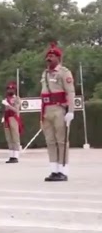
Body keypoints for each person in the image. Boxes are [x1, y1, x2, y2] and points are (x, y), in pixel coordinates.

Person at [40, 42, 75, 181]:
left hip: (59, 109)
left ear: (58, 59)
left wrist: (70, 111)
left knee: (62, 141)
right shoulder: (45, 73)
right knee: (50, 141)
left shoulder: (64, 72)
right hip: (46, 110)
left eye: (52, 56)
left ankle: (63, 170)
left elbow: (70, 92)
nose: (49, 58)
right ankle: (54, 170)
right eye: (48, 56)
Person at [2, 81, 23, 164]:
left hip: (14, 118)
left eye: (11, 89)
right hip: (7, 118)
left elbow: (16, 110)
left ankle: (16, 156)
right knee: (9, 138)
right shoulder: (6, 99)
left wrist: (8, 105)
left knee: (15, 137)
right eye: (8, 89)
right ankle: (11, 155)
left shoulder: (17, 99)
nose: (9, 91)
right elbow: (5, 110)